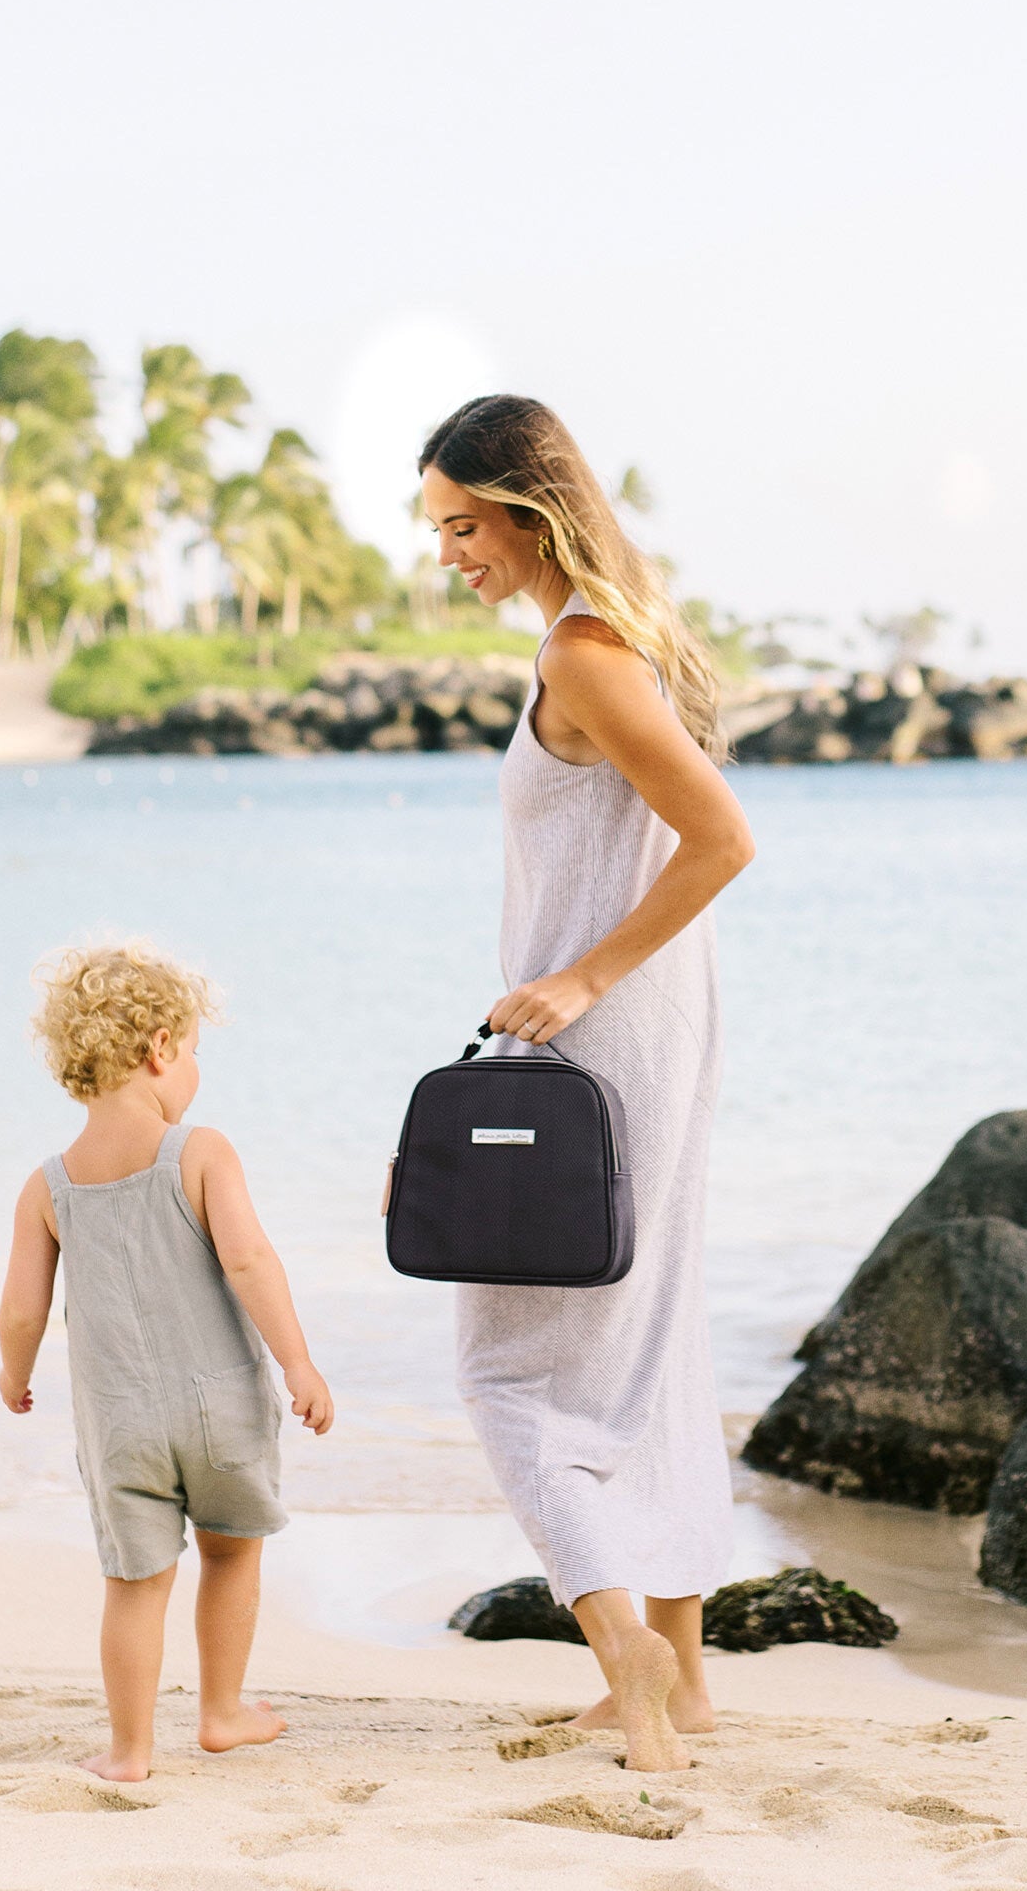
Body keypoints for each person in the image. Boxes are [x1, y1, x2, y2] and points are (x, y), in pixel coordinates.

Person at [419, 394, 756, 1774]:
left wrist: (579, 981)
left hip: (599, 1046)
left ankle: (619, 1648)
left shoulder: (585, 654)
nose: (450, 554)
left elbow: (722, 837)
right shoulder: (617, 637)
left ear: (528, 511)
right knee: (652, 1341)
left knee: (506, 1367)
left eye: (462, 525)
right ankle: (681, 1676)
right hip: (656, 1041)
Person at [0, 943, 333, 1781]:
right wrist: (299, 1365)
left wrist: (15, 1374)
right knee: (230, 1552)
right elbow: (252, 1262)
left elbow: (22, 1309)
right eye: (192, 1051)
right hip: (220, 1408)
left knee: (137, 1583)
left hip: (120, 1425)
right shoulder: (201, 1151)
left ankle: (130, 1750)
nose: (193, 1072)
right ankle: (222, 1713)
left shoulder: (48, 1186)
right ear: (159, 1049)